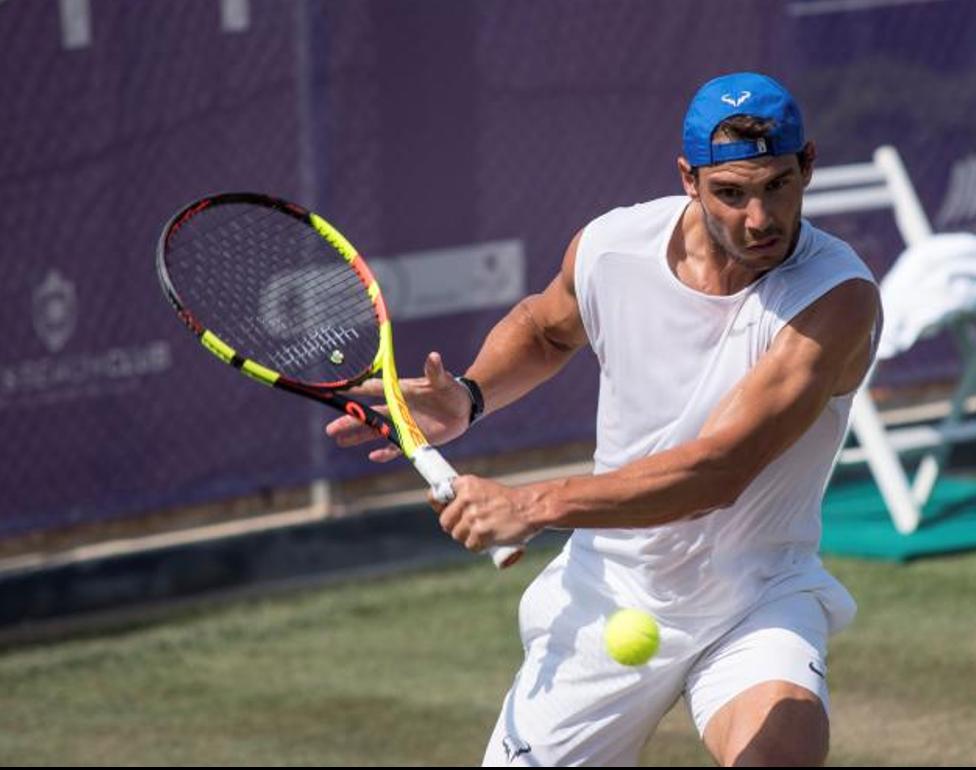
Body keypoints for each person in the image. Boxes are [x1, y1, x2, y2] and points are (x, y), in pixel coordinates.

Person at [328, 71, 880, 767]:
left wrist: (533, 504)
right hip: (610, 592)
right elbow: (546, 327)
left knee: (783, 755)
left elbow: (719, 470)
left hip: (756, 594)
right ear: (689, 179)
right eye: (731, 193)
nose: (760, 219)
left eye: (776, 185)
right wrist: (470, 394)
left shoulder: (836, 299)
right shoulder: (613, 248)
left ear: (807, 166)